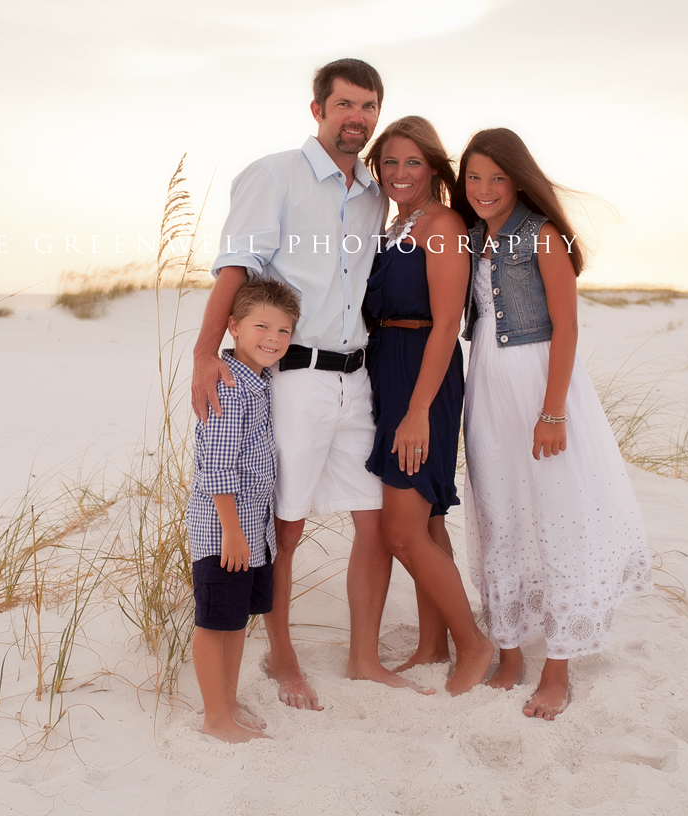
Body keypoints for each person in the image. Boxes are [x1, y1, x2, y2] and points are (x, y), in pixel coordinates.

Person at [193, 58, 412, 711]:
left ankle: (363, 656)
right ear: (317, 110)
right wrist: (207, 351)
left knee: (372, 518)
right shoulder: (274, 175)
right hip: (293, 377)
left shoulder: (375, 192)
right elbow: (236, 268)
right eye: (345, 105)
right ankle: (281, 654)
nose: (358, 118)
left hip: (358, 375)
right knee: (284, 525)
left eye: (368, 107)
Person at [455, 128, 651, 720]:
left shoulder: (542, 235)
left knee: (556, 515)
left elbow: (565, 327)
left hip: (540, 385)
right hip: (486, 387)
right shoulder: (468, 238)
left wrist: (553, 410)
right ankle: (510, 654)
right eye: (473, 178)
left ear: (518, 178)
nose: (484, 189)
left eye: (496, 177)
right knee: (500, 512)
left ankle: (557, 669)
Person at [361, 116, 495, 695]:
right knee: (428, 517)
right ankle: (432, 643)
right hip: (387, 367)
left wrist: (417, 411)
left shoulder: (441, 223)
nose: (399, 172)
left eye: (412, 162)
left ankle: (473, 643)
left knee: (403, 531)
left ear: (435, 168)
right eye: (389, 161)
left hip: (424, 373)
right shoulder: (396, 224)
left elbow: (446, 326)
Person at [187, 279, 301, 743]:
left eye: (284, 330)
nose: (273, 338)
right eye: (262, 326)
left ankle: (228, 703)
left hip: (251, 532)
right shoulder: (230, 388)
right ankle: (215, 718)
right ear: (232, 327)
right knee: (215, 623)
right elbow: (216, 467)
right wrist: (231, 533)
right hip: (224, 532)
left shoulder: (261, 382)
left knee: (235, 622)